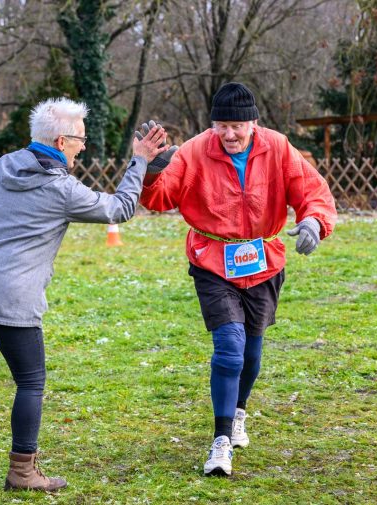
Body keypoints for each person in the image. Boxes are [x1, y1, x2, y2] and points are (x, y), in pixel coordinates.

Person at [0, 97, 169, 491]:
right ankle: (23, 471)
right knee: (30, 382)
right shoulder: (61, 188)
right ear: (61, 141)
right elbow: (121, 208)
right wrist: (140, 160)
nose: (84, 145)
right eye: (80, 138)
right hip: (12, 297)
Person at [138, 82, 337, 477]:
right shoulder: (195, 151)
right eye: (221, 125)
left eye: (238, 126)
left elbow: (313, 191)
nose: (229, 134)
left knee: (252, 353)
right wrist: (152, 171)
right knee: (230, 347)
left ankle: (239, 411)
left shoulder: (277, 147)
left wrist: (314, 220)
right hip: (212, 261)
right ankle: (221, 440)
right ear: (213, 125)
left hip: (263, 262)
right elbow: (159, 199)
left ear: (254, 124)